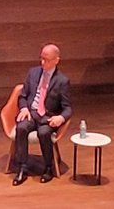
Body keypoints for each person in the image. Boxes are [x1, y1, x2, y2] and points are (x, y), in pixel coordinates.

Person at [11, 42, 72, 185]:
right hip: (32, 112)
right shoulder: (33, 72)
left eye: (46, 59)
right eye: (41, 58)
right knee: (21, 128)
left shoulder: (62, 81)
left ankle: (48, 167)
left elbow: (67, 107)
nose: (42, 62)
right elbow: (23, 95)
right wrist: (24, 108)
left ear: (56, 60)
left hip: (48, 117)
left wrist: (61, 118)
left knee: (44, 133)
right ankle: (22, 168)